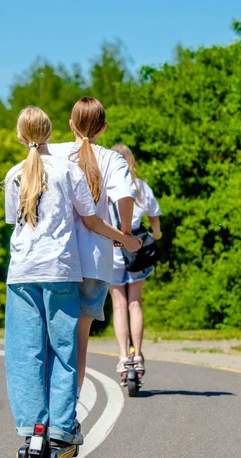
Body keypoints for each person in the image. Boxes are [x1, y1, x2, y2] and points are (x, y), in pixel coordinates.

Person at [3, 106, 140, 448]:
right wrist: (125, 237)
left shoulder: (17, 172)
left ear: (20, 137)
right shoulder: (75, 167)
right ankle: (63, 426)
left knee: (27, 352)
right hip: (69, 267)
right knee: (67, 349)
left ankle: (33, 426)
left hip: (23, 271)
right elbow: (96, 216)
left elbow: (15, 221)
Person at [50, 97, 138, 397]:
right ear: (103, 127)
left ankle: (50, 401)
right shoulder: (112, 159)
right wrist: (125, 233)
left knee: (53, 337)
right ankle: (70, 406)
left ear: (71, 124)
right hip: (95, 260)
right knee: (80, 340)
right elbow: (125, 196)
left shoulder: (55, 153)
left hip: (57, 259)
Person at [108, 144, 163, 375]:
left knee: (118, 305)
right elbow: (154, 217)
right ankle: (137, 355)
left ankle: (123, 357)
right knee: (135, 303)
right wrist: (157, 235)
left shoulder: (105, 188)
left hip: (112, 252)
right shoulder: (140, 187)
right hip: (136, 249)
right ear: (132, 161)